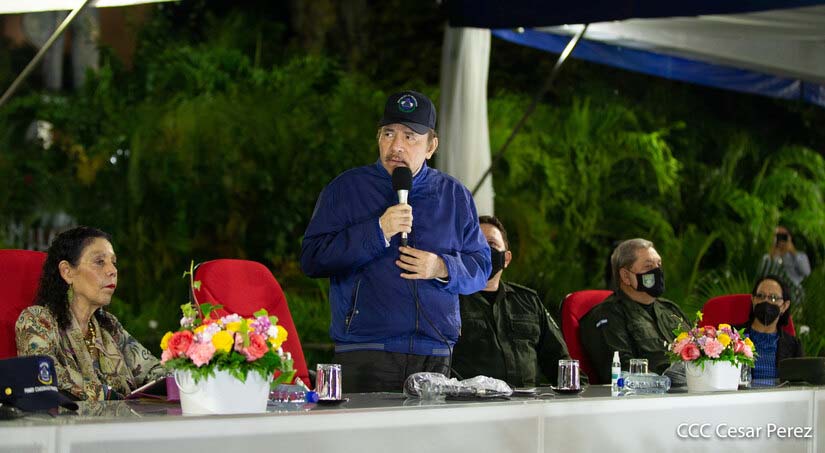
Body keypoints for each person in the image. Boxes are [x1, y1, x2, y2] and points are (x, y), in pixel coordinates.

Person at [300, 90, 491, 393]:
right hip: (365, 351)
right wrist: (377, 231)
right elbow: (312, 258)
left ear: (431, 146)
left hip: (435, 353)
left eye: (410, 136)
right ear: (378, 137)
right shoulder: (346, 189)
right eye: (388, 133)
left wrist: (441, 267)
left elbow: (481, 266)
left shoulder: (454, 195)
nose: (396, 146)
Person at [15, 226, 166, 401]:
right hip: (65, 418)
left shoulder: (108, 326)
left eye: (113, 262)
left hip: (123, 417)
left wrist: (184, 374)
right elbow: (45, 376)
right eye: (99, 262)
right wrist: (111, 397)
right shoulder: (37, 320)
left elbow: (154, 372)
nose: (112, 270)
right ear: (67, 272)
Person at [452, 215, 578, 388]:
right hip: (472, 401)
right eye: (476, 244)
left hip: (528, 400)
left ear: (506, 258)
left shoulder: (529, 302)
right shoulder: (449, 302)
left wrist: (579, 395)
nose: (484, 250)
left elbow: (560, 362)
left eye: (491, 244)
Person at [580, 238, 690, 383]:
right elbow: (620, 371)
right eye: (648, 266)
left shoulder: (671, 310)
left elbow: (700, 352)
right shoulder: (607, 315)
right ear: (626, 276)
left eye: (659, 264)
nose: (657, 271)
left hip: (692, 389)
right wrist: (666, 380)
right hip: (650, 394)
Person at [741, 275, 803, 380]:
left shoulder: (794, 346)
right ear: (753, 299)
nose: (766, 301)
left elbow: (800, 383)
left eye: (773, 298)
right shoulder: (731, 336)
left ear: (784, 306)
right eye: (760, 296)